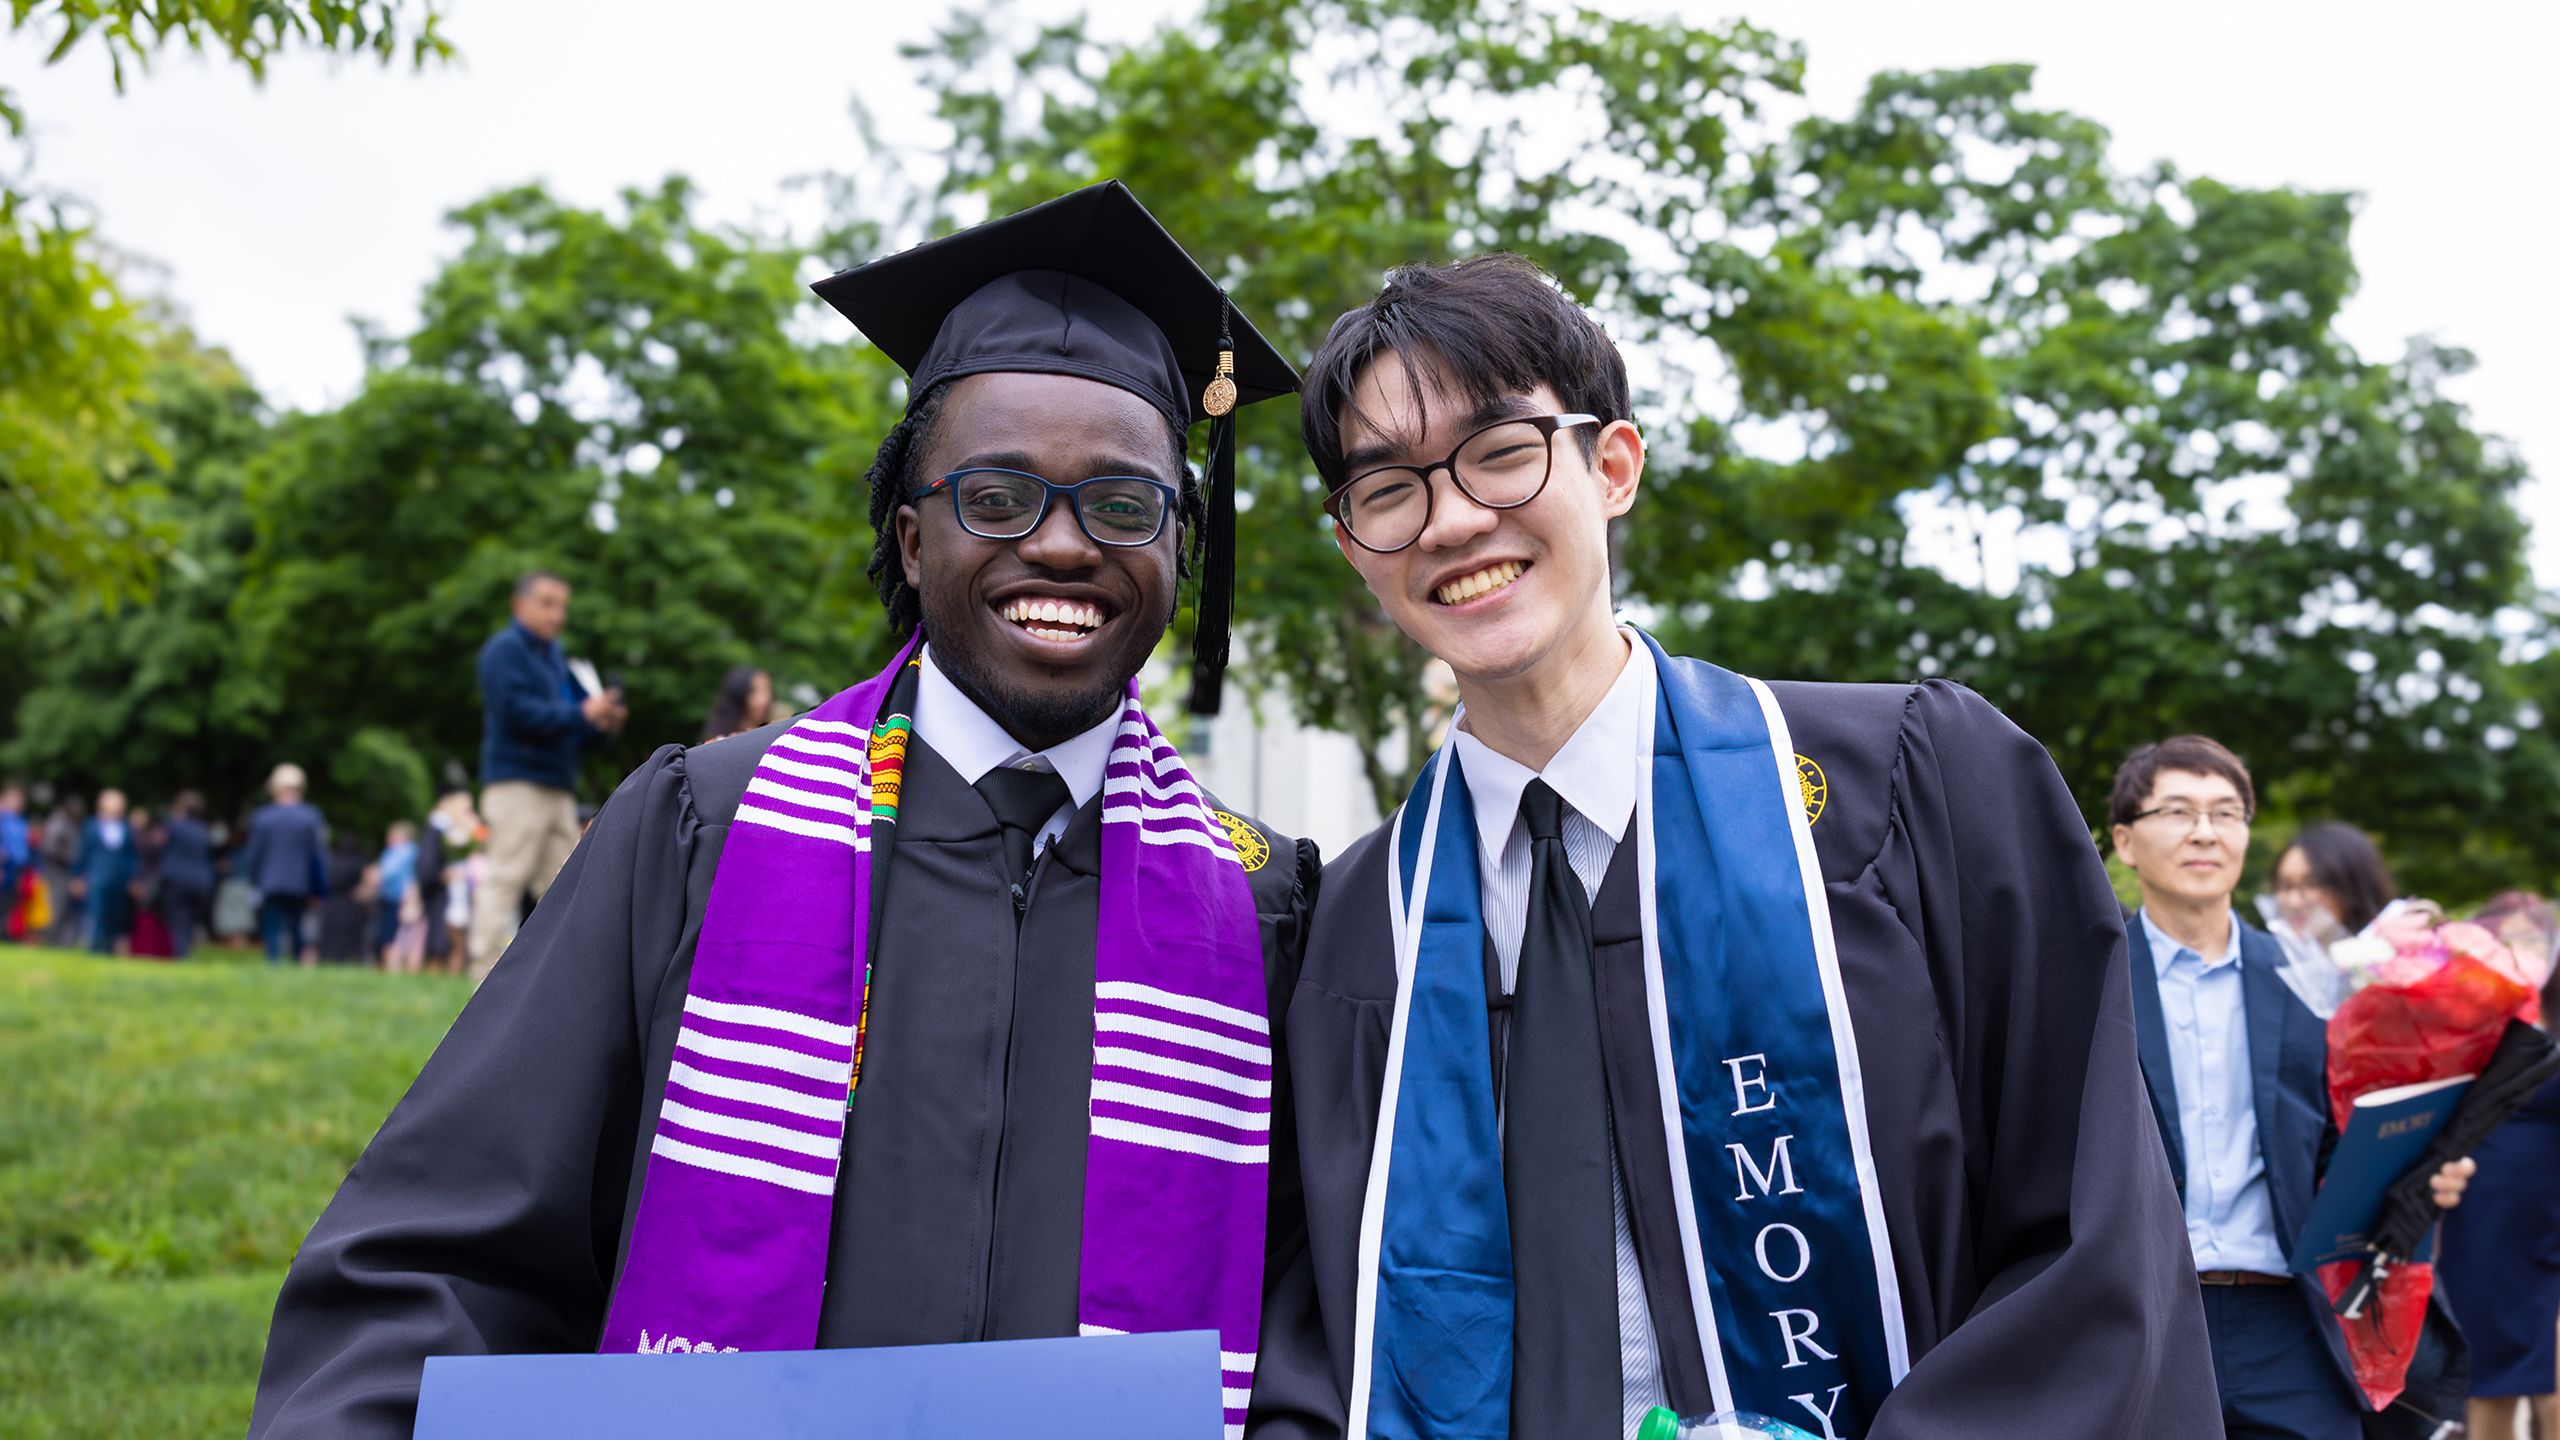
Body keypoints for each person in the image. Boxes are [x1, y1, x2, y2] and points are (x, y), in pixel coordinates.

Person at [250, 182, 1321, 1440]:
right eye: (995, 496)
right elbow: (432, 1267)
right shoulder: (699, 830)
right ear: (913, 541)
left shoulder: (1265, 911)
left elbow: (1312, 1337)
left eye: (1124, 505)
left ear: (1180, 552)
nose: (1065, 545)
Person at [1270, 254, 2219, 1440]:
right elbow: (1315, 1347)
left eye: (1502, 451)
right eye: (1388, 489)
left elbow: (2093, 1241)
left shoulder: (1911, 790)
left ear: (1612, 465)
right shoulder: (1356, 932)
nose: (1453, 518)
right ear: (1353, 547)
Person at [2109, 735, 2475, 1439]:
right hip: (2148, 1322)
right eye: (2178, 811)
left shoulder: (2315, 984)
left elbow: (2346, 1148)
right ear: (2126, 841)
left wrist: (2422, 1167)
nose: (2204, 833)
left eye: (2227, 812)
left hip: (2292, 1325)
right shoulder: (2094, 985)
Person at [2438, 891, 2560, 1440]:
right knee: (2491, 1382)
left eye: (2531, 940)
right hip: (2484, 1218)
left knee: (2553, 1384)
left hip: (2551, 1213)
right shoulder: (2464, 1021)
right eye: (2506, 941)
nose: (2520, 952)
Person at [469, 569, 628, 981]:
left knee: (562, 886)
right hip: (516, 783)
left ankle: (553, 982)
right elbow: (517, 714)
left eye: (562, 606)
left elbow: (573, 729)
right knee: (506, 876)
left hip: (557, 786)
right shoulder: (503, 651)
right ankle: (479, 972)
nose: (557, 615)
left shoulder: (556, 658)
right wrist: (581, 714)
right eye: (547, 603)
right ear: (519, 604)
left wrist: (602, 723)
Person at [240, 764, 329, 965]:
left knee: (272, 927)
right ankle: (297, 962)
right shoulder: (311, 817)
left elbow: (254, 854)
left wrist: (253, 880)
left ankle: (274, 962)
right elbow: (317, 857)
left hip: (270, 882)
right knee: (298, 927)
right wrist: (320, 888)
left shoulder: (262, 817)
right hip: (301, 883)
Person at [73, 788, 139, 955]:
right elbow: (83, 852)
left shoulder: (126, 828)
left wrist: (134, 878)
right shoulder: (91, 825)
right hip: (97, 875)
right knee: (96, 912)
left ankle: (109, 947)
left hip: (119, 878)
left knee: (114, 914)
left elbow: (131, 856)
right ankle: (95, 946)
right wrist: (77, 877)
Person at [157, 791, 217, 960]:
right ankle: (185, 950)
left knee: (178, 918)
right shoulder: (203, 830)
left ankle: (181, 953)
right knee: (189, 920)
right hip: (200, 881)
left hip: (176, 879)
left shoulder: (173, 827)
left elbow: (159, 847)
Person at [40, 794, 86, 947]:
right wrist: (70, 857)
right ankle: (49, 939)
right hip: (56, 871)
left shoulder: (68, 823)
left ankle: (57, 940)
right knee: (54, 906)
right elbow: (49, 848)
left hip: (64, 872)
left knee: (63, 908)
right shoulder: (58, 822)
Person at [373, 821, 418, 963]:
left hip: (398, 899)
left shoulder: (403, 851)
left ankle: (392, 964)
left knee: (392, 936)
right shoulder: (409, 851)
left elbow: (386, 873)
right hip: (396, 898)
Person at [699, 664, 773, 743]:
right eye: (756, 691)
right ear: (739, 695)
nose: (766, 699)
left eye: (767, 690)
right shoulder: (715, 744)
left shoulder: (774, 738)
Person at [0, 782, 30, 941]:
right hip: (4, 865)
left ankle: (6, 934)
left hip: (17, 867)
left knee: (11, 902)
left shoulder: (20, 821)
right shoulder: (2, 818)